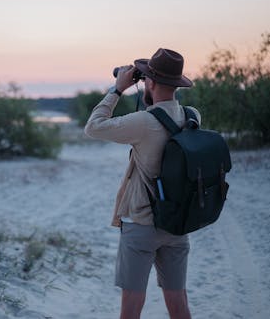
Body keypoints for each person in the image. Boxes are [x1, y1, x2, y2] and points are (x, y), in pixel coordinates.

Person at [84, 48, 199, 319]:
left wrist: (117, 89)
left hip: (141, 224)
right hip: (177, 223)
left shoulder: (143, 123)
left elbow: (93, 126)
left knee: (131, 309)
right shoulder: (192, 116)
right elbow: (164, 114)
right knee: (178, 302)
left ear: (151, 82)